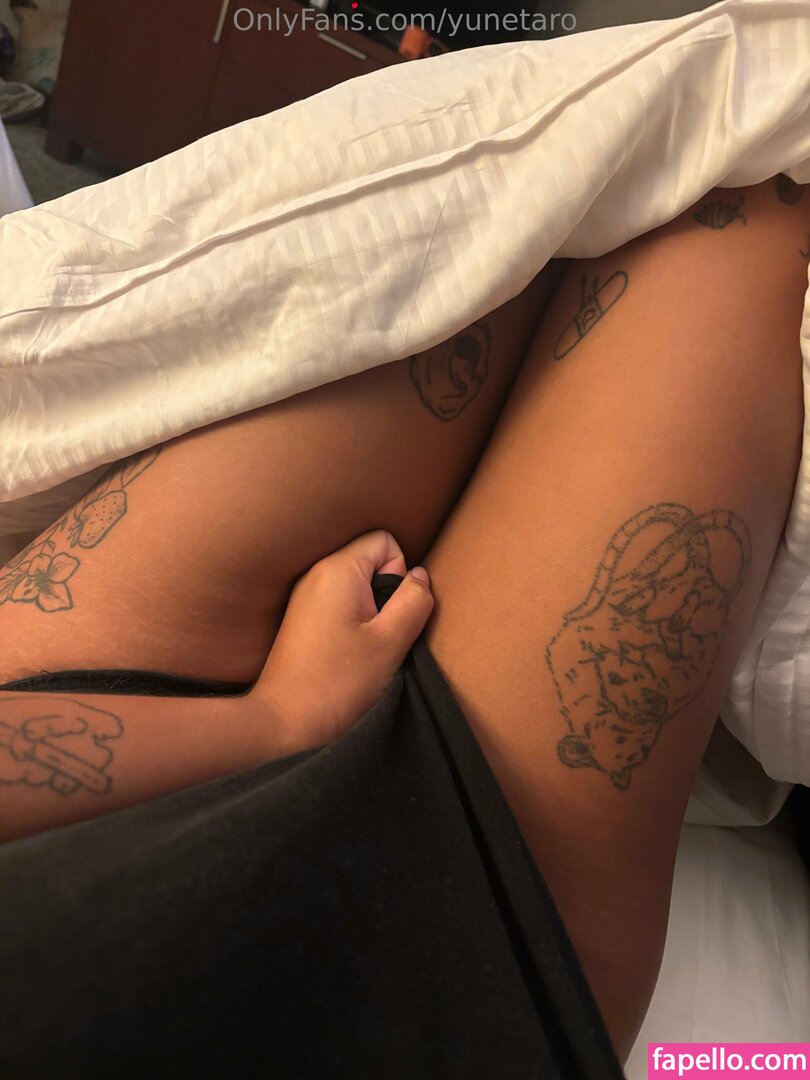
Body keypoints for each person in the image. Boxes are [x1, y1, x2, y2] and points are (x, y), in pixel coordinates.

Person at [0, 176, 808, 1074]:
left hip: (68, 721)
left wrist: (277, 720)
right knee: (738, 210)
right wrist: (278, 721)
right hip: (460, 932)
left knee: (557, 205)